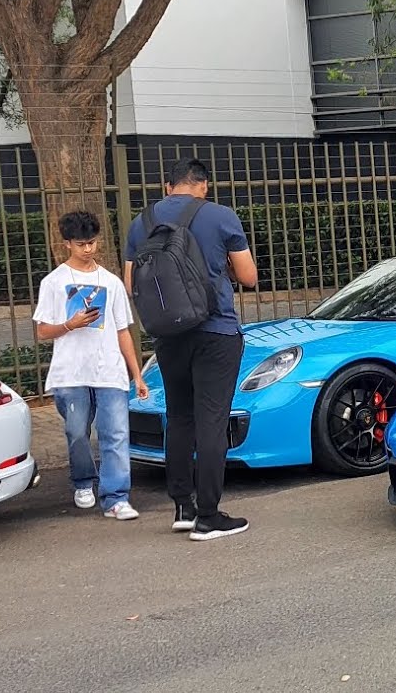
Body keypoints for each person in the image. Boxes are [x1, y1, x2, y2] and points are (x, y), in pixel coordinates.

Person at [124, 158, 259, 541]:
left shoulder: (142, 222)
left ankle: (183, 507)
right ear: (203, 185)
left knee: (180, 417)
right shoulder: (219, 216)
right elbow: (248, 277)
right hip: (215, 329)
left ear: (168, 186)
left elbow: (131, 280)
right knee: (212, 420)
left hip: (168, 334)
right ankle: (210, 516)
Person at [33, 211, 149, 521]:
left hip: (109, 369)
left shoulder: (110, 283)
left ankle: (116, 496)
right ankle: (83, 481)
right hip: (70, 371)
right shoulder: (54, 282)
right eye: (81, 244)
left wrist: (136, 374)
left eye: (92, 243)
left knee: (116, 433)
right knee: (77, 432)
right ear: (67, 243)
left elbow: (123, 330)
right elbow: (42, 331)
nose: (88, 249)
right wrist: (69, 324)